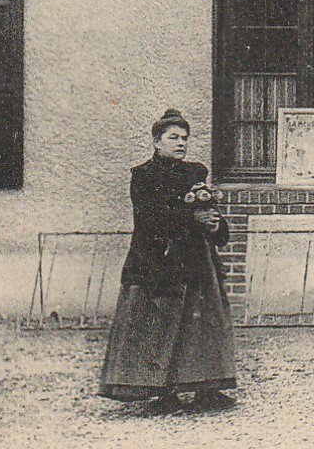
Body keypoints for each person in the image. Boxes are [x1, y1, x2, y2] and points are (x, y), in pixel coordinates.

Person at [99, 110, 237, 412]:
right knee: (157, 325)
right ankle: (161, 393)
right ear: (156, 141)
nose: (180, 143)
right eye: (173, 137)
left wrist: (215, 225)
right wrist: (192, 218)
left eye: (184, 138)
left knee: (201, 325)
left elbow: (209, 211)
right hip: (157, 260)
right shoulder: (143, 176)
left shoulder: (195, 173)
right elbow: (150, 218)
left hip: (197, 261)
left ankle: (206, 388)